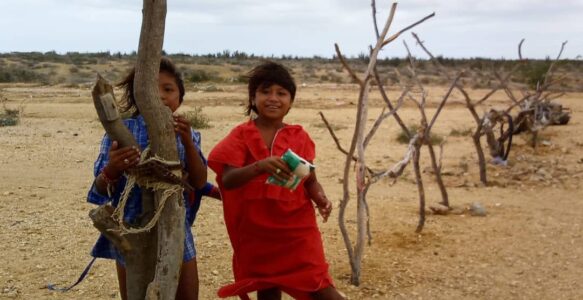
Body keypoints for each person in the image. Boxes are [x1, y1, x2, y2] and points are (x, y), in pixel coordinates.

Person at [208, 61, 344, 300]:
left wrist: (320, 197)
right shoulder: (241, 135)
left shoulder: (299, 137)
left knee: (321, 287)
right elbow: (228, 180)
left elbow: (310, 180)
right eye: (265, 91)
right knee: (268, 288)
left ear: (290, 101)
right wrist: (258, 167)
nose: (273, 98)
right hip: (257, 232)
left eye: (281, 93)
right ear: (253, 97)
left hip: (297, 231)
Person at [87, 57, 210, 300]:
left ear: (180, 97)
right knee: (135, 290)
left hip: (174, 223)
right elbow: (100, 187)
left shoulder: (188, 132)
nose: (160, 96)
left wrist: (187, 141)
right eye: (151, 89)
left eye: (168, 89)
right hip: (130, 226)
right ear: (137, 95)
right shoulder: (122, 129)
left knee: (186, 292)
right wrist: (114, 167)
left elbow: (198, 180)